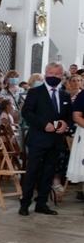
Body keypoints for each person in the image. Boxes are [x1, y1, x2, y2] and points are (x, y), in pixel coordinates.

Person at [19, 62, 72, 216]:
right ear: (46, 74)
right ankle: (25, 203)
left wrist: (65, 124)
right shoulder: (35, 92)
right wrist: (44, 125)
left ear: (61, 76)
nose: (54, 76)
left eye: (57, 74)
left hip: (56, 140)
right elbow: (27, 113)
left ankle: (41, 203)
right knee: (32, 171)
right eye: (52, 74)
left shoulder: (65, 95)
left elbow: (69, 116)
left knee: (49, 172)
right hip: (38, 139)